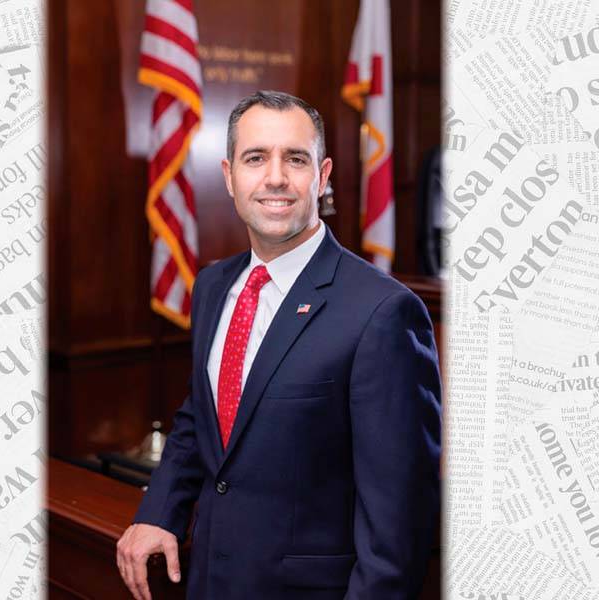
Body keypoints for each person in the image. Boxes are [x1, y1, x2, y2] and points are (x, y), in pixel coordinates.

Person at [116, 90, 441, 600]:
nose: (275, 177)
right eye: (255, 158)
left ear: (322, 175)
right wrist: (160, 512)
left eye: (295, 159)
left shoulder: (383, 313)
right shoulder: (213, 286)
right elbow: (202, 418)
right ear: (229, 176)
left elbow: (398, 525)